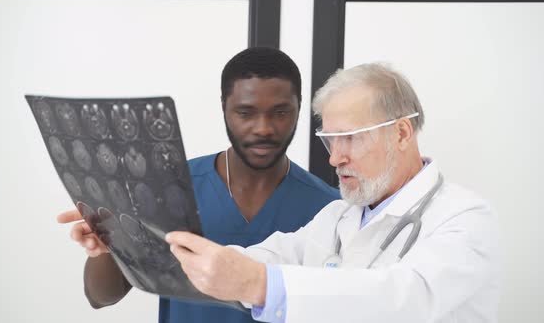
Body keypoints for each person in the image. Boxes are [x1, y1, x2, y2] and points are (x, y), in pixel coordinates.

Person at [165, 63, 500, 323]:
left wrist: (261, 284)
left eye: (350, 138)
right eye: (330, 139)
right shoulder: (338, 216)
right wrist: (158, 255)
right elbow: (266, 258)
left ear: (401, 133)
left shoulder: (464, 219)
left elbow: (405, 299)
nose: (334, 157)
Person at [57, 47, 340, 323]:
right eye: (245, 112)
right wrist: (109, 244)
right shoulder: (164, 188)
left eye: (279, 112)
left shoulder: (332, 208)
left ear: (299, 108)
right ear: (224, 108)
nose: (263, 127)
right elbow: (101, 297)